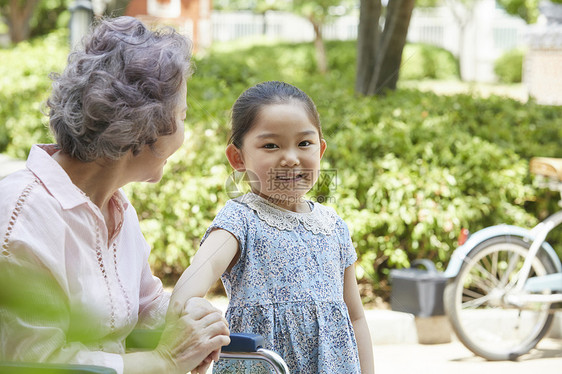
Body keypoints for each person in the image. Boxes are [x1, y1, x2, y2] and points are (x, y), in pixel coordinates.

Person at [0, 16, 230, 374]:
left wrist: (185, 321)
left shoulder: (116, 209)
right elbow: (34, 364)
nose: (186, 128)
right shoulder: (25, 217)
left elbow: (142, 308)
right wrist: (164, 361)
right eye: (183, 114)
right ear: (145, 128)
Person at [171, 81, 375, 373]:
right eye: (271, 145)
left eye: (304, 143)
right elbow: (199, 274)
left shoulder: (333, 227)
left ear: (321, 150)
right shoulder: (241, 219)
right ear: (238, 158)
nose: (291, 158)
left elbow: (355, 317)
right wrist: (181, 309)